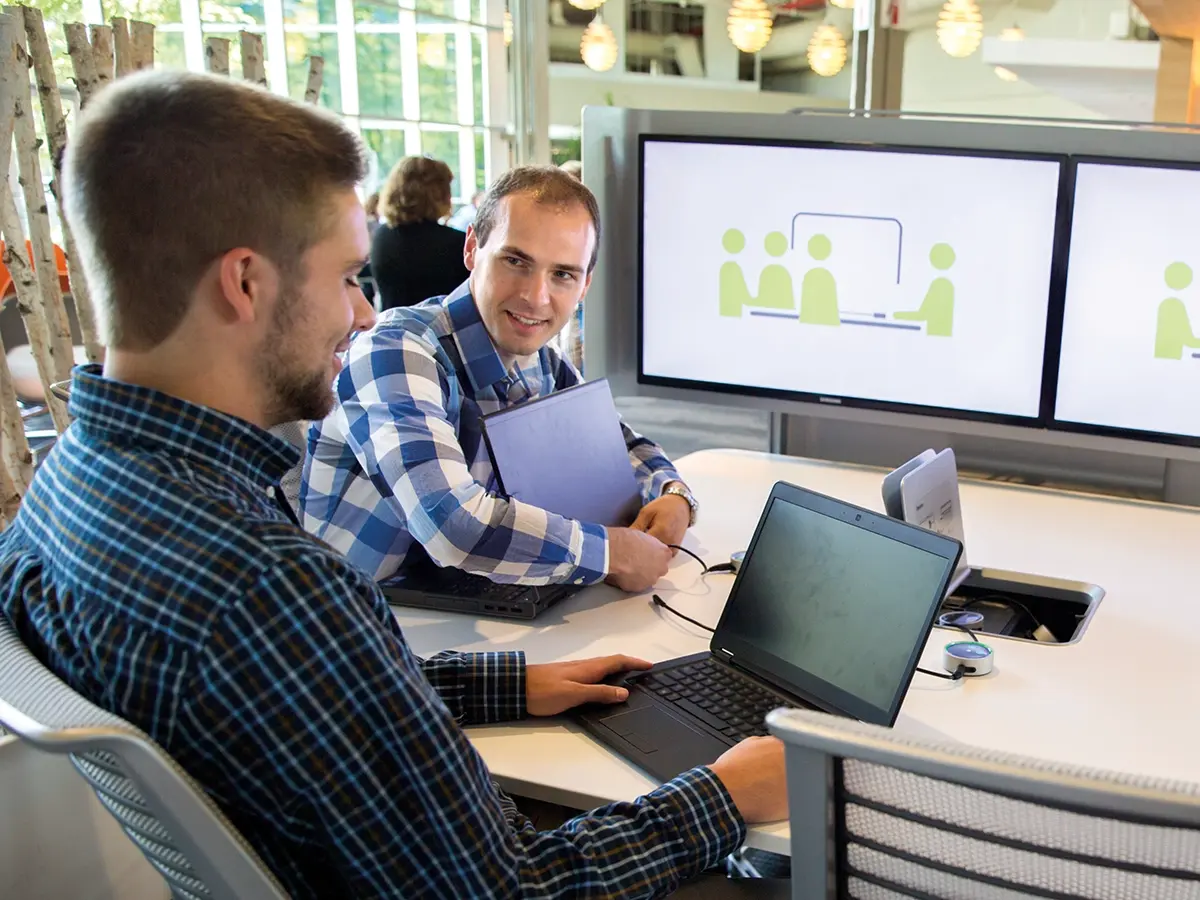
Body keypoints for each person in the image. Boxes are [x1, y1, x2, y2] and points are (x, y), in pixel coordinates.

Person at [0, 71, 788, 899]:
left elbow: (306, 700)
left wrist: (501, 683)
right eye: (348, 276)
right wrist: (724, 797)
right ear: (245, 282)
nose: (364, 313)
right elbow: (507, 891)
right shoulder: (275, 587)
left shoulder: (69, 488)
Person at [301, 166, 696, 592]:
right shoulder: (396, 350)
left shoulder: (546, 362)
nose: (536, 296)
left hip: (473, 613)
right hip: (356, 622)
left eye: (563, 274)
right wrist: (611, 552)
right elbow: (454, 526)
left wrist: (674, 496)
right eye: (516, 261)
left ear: (585, 285)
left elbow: (621, 450)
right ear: (472, 248)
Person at [370, 155, 469, 310]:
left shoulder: (381, 236)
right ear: (439, 193)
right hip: (436, 332)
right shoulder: (457, 244)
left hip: (388, 329)